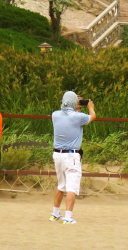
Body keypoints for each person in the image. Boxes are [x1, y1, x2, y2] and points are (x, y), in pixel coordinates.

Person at [49, 91, 95, 225]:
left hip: (57, 154)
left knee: (61, 184)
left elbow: (67, 114)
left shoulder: (55, 115)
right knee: (71, 187)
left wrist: (74, 105)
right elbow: (92, 117)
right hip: (71, 155)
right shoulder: (78, 117)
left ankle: (55, 213)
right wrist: (90, 107)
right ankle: (68, 217)